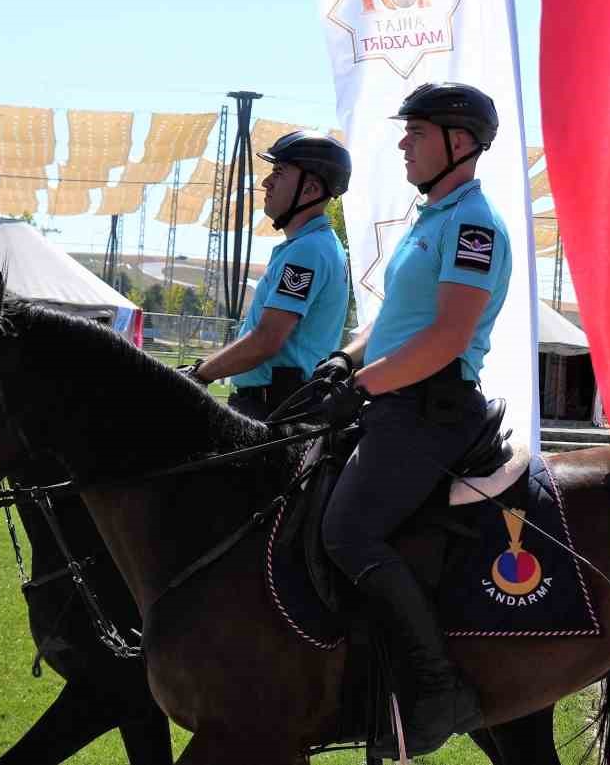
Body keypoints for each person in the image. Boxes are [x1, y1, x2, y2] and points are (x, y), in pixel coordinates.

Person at [315, 81, 511, 756]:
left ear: (460, 144)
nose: (403, 142)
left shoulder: (474, 225)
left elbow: (448, 336)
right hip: (395, 397)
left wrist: (362, 385)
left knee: (347, 530)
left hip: (432, 409)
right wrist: (343, 361)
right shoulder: (430, 218)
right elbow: (398, 320)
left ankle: (436, 686)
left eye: (417, 132)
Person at [180, 131, 351, 421]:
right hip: (276, 403)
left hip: (273, 409)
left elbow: (267, 339)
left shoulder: (307, 251)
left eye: (279, 172)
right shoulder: (312, 245)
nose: (266, 182)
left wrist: (198, 374)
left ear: (309, 190)